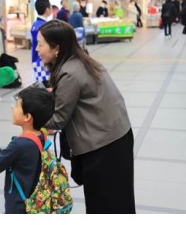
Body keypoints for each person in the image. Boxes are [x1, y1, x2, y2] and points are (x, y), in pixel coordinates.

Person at [36, 20, 135, 214]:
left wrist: (30, 118)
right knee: (119, 200)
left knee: (104, 204)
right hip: (116, 136)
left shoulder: (69, 73)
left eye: (40, 44)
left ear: (57, 48)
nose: (37, 49)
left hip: (103, 146)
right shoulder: (80, 60)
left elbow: (58, 120)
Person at [0, 86, 54, 214]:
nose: (12, 108)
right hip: (32, 198)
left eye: (17, 105)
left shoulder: (20, 144)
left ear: (27, 117)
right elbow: (16, 158)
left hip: (18, 203)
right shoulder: (40, 135)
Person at [30, 0, 51, 86]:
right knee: (46, 87)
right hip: (42, 62)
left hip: (38, 61)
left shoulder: (36, 24)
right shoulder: (43, 26)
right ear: (47, 9)